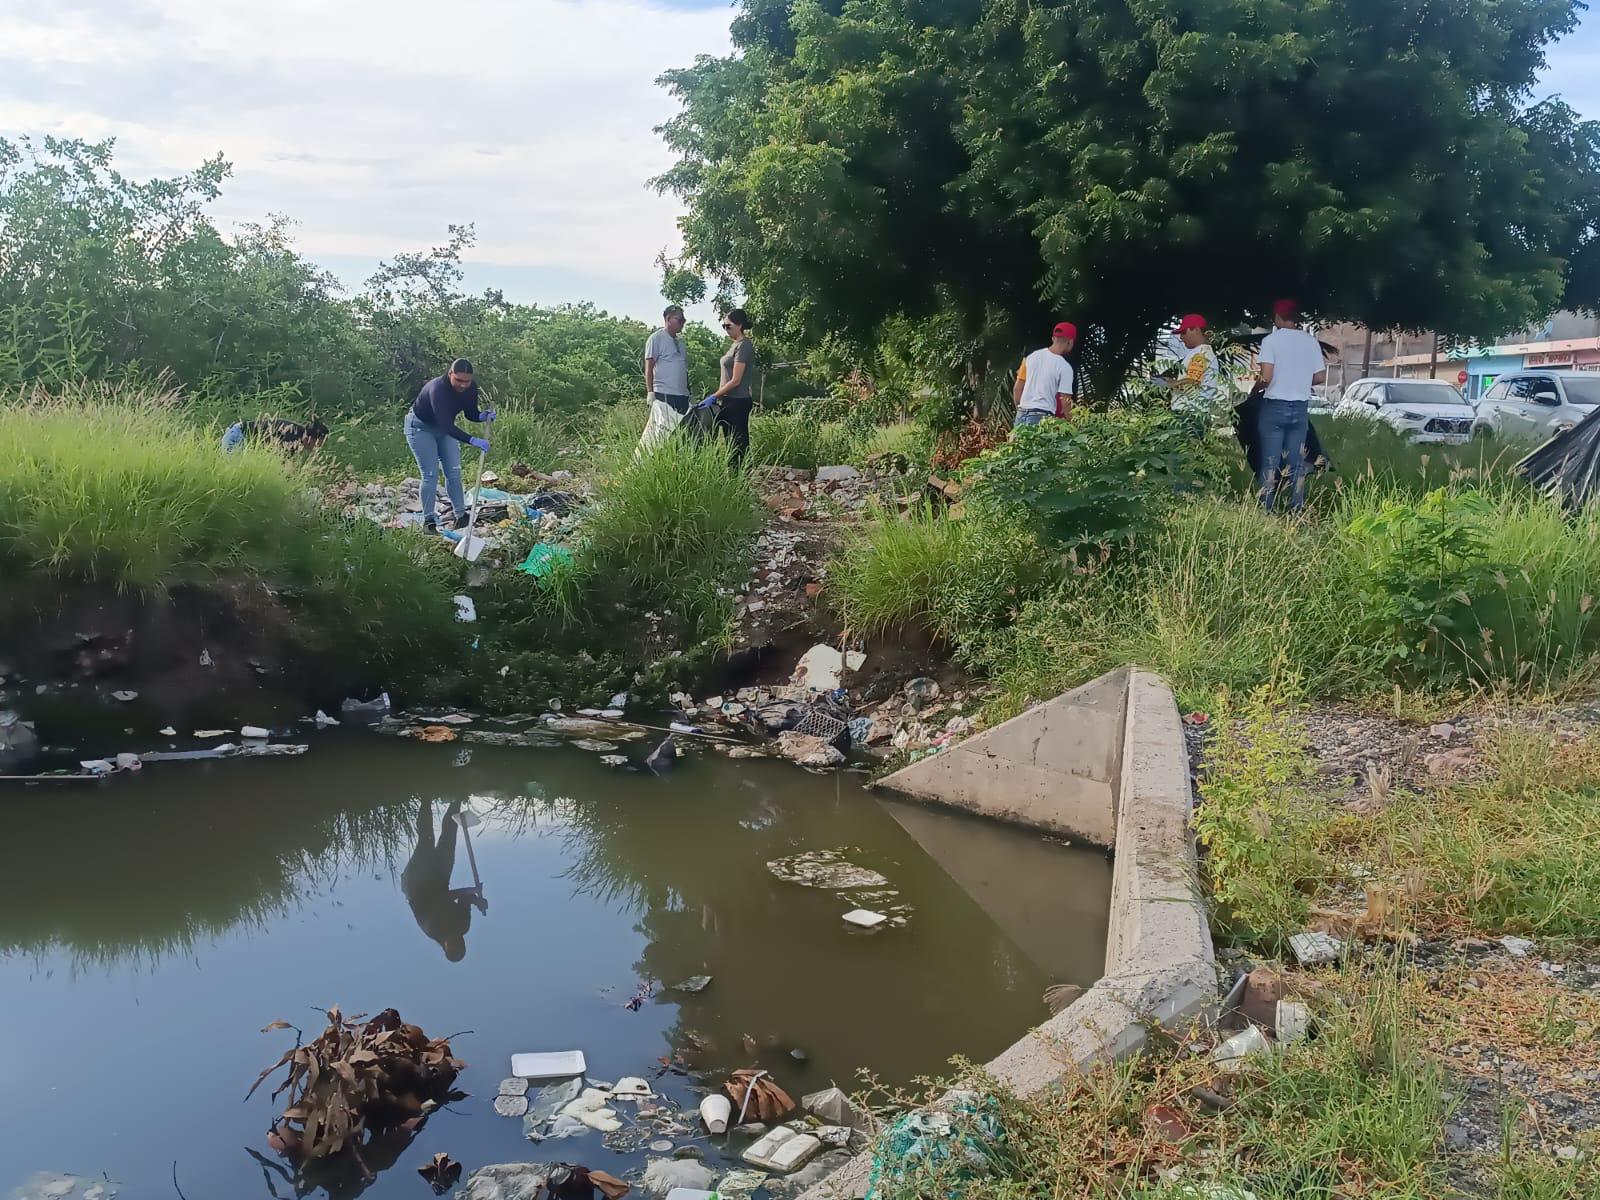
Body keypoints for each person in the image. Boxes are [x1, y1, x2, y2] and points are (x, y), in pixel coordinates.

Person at [404, 358, 496, 532]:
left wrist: (482, 416)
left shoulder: (471, 388)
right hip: (421, 428)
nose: (462, 385)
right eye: (459, 380)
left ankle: (460, 516)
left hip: (444, 429)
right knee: (430, 475)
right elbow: (446, 424)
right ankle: (429, 520)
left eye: (466, 381)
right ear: (450, 374)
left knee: (453, 472)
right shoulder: (437, 389)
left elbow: (470, 413)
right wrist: (472, 440)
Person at [1256, 300, 1326, 512]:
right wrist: (1301, 380)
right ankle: (1296, 510)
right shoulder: (1311, 342)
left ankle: (1265, 511)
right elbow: (1320, 376)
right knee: (1296, 464)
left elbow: (1266, 376)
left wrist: (1255, 388)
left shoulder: (1271, 341)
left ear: (1277, 316)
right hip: (1300, 408)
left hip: (1274, 406)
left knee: (1270, 462)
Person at [400, 799, 487, 963]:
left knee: (426, 840)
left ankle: (426, 796)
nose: (456, 941)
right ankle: (457, 798)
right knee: (449, 839)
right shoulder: (463, 926)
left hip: (417, 884)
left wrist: (471, 891)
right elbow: (464, 901)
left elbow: (442, 898)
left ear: (445, 946)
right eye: (459, 944)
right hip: (439, 880)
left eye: (452, 945)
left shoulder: (433, 929)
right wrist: (476, 901)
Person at [707, 308, 757, 465]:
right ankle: (731, 476)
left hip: (738, 401)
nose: (726, 329)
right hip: (727, 401)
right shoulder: (734, 345)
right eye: (724, 326)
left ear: (739, 325)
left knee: (738, 444)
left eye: (728, 326)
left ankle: (740, 479)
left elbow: (736, 380)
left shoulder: (744, 345)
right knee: (729, 441)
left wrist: (715, 395)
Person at [1165, 314, 1223, 435]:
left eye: (1184, 332)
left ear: (1196, 329)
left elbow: (1192, 383)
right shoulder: (1202, 352)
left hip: (1189, 416)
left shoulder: (1201, 354)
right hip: (1195, 414)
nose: (1181, 337)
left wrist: (1170, 383)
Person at [1012, 322, 1077, 429]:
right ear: (1070, 342)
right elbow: (1065, 402)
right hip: (1041, 417)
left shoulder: (1030, 357)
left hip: (1021, 414)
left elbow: (1017, 388)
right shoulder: (1065, 367)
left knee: (1015, 445)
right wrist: (1074, 425)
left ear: (1053, 338)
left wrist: (1021, 409)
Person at [644, 305, 691, 414]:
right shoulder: (656, 338)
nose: (682, 323)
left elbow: (683, 369)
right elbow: (649, 367)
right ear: (668, 319)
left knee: (681, 428)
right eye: (679, 320)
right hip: (664, 393)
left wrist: (689, 392)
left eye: (683, 320)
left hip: (682, 395)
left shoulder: (681, 342)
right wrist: (650, 392)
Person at [221, 416, 329, 454]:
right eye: (318, 443)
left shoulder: (297, 437)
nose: (317, 447)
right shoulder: (292, 435)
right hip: (236, 435)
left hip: (240, 437)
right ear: (310, 438)